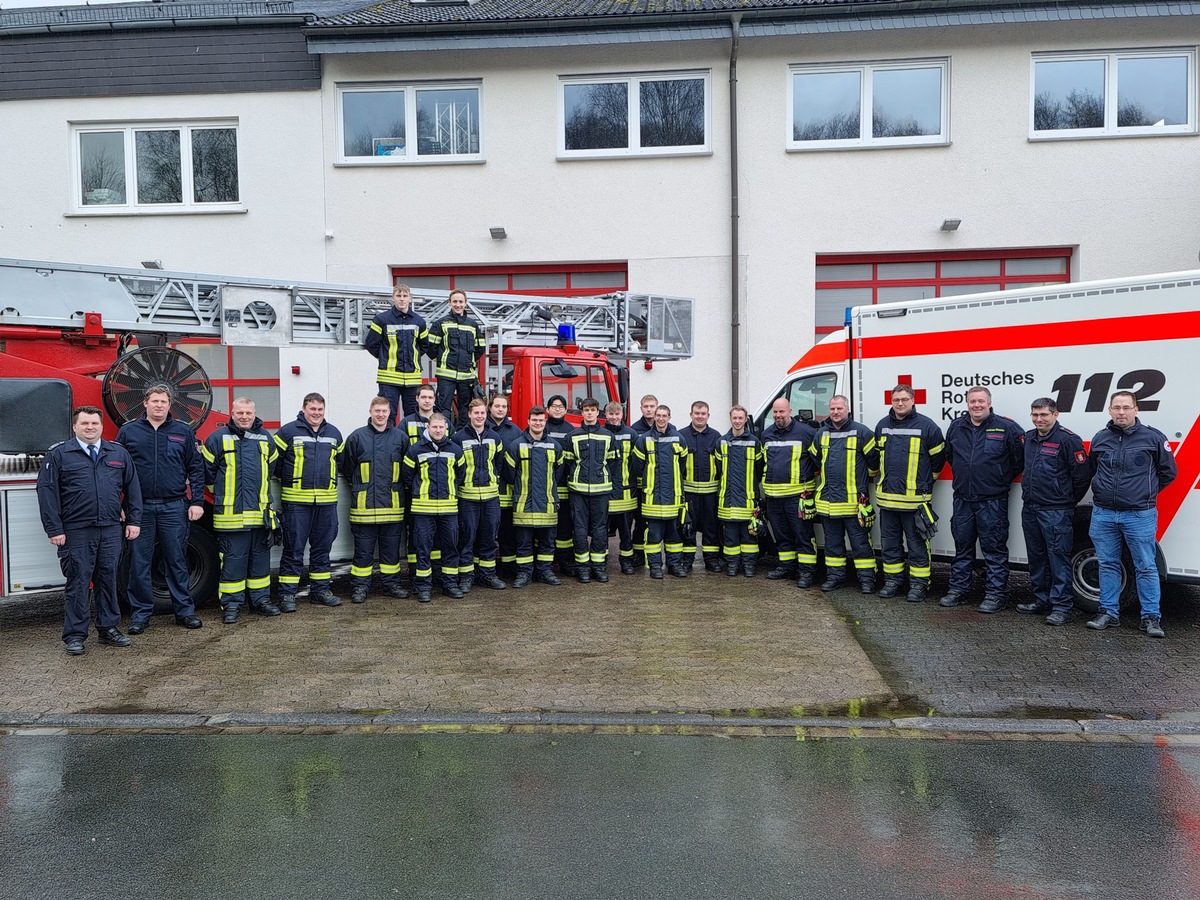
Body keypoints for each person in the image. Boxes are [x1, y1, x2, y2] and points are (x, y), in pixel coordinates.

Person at [37, 405, 142, 655]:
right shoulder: (59, 455)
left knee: (108, 579)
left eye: (95, 423)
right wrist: (54, 529)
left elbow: (133, 488)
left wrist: (134, 520)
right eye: (85, 423)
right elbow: (47, 493)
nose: (90, 427)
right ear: (75, 426)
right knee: (78, 582)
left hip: (110, 529)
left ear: (102, 426)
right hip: (76, 531)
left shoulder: (117, 453)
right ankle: (75, 635)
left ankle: (108, 629)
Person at [1086, 391, 1177, 637]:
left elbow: (1169, 472)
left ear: (1136, 410)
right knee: (1107, 564)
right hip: (1104, 513)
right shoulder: (1100, 438)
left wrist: (1145, 493)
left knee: (1146, 566)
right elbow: (1092, 469)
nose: (1121, 412)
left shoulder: (1153, 437)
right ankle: (1108, 613)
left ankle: (1150, 618)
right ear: (1109, 410)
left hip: (1139, 515)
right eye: (1117, 408)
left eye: (1126, 407)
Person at [116, 384, 206, 633]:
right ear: (145, 403)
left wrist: (197, 502)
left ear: (170, 405)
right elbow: (115, 470)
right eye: (154, 401)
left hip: (174, 506)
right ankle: (141, 615)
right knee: (139, 563)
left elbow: (196, 469)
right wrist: (119, 505)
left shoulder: (183, 432)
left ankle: (185, 612)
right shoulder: (128, 432)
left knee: (176, 560)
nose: (159, 405)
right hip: (139, 509)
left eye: (163, 402)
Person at [938, 386, 1025, 613]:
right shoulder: (956, 427)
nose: (977, 405)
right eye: (972, 401)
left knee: (994, 549)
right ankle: (958, 590)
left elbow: (1019, 460)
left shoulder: (1007, 427)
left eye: (981, 401)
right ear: (967, 403)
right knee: (962, 547)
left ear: (989, 402)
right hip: (963, 499)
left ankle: (996, 595)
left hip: (992, 500)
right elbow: (950, 455)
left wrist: (998, 478)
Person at [200, 397, 279, 624]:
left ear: (254, 414)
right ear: (232, 414)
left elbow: (270, 469)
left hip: (260, 516)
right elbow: (208, 474)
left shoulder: (266, 438)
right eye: (240, 413)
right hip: (230, 516)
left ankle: (260, 601)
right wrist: (224, 494)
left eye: (248, 413)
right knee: (233, 562)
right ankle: (232, 605)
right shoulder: (217, 439)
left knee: (260, 561)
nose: (244, 417)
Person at [1017, 398, 1091, 626]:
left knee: (1058, 559)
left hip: (1056, 511)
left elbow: (1082, 477)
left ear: (1055, 414)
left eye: (1044, 415)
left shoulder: (1068, 440)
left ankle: (1061, 607)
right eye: (1035, 415)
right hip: (1030, 508)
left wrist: (1065, 501)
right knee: (1037, 558)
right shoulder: (1028, 438)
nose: (1039, 419)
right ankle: (1042, 600)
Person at [874, 384, 946, 602]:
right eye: (896, 400)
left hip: (915, 502)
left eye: (904, 399)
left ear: (913, 400)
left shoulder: (927, 426)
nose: (900, 403)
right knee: (890, 545)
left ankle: (918, 585)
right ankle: (892, 581)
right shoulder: (882, 426)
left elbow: (938, 460)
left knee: (917, 546)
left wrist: (925, 481)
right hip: (886, 501)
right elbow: (878, 458)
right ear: (891, 401)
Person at [273, 392, 344, 610]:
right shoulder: (287, 432)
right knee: (293, 549)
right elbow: (275, 463)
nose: (316, 413)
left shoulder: (334, 433)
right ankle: (287, 596)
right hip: (296, 503)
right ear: (304, 409)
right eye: (312, 409)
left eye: (320, 410)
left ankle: (320, 591)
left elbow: (340, 462)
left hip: (326, 503)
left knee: (322, 549)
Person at [341, 396, 410, 604]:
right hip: (364, 508)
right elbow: (346, 468)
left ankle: (391, 585)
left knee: (391, 552)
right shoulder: (356, 437)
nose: (381, 414)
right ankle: (360, 588)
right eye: (377, 411)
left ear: (390, 413)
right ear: (371, 411)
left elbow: (406, 469)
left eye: (384, 411)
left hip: (392, 507)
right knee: (363, 553)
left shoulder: (400, 438)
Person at [810, 395, 879, 594]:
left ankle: (867, 580)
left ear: (847, 410)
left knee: (860, 545)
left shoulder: (862, 432)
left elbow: (873, 463)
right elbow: (815, 459)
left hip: (854, 504)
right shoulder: (821, 434)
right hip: (828, 503)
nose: (836, 412)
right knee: (833, 546)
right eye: (832, 408)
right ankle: (835, 577)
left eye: (839, 408)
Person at [403, 412, 465, 602]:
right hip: (423, 510)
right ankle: (423, 587)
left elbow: (460, 476)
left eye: (441, 427)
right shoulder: (414, 450)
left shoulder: (456, 450)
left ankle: (450, 584)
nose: (438, 430)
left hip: (449, 509)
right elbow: (406, 477)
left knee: (451, 547)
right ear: (428, 428)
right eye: (434, 427)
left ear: (446, 428)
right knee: (423, 549)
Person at [760, 397, 818, 587]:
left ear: (790, 411)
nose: (778, 415)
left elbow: (818, 461)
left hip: (798, 497)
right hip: (774, 497)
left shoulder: (807, 433)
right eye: (775, 412)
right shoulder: (767, 434)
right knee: (782, 535)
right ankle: (786, 566)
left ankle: (807, 572)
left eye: (781, 412)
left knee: (803, 535)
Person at [506, 406, 565, 588]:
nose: (538, 423)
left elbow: (558, 474)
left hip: (547, 502)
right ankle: (524, 574)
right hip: (524, 503)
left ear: (545, 421)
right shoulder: (515, 445)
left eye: (541, 420)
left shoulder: (555, 446)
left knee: (548, 542)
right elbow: (509, 475)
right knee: (523, 543)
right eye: (534, 420)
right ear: (528, 421)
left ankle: (545, 571)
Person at [454, 398, 507, 591]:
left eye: (482, 413)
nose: (479, 416)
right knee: (467, 538)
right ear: (469, 414)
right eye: (476, 413)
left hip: (491, 497)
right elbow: (456, 468)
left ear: (487, 414)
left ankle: (488, 576)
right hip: (467, 497)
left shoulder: (495, 437)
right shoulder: (458, 438)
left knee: (489, 538)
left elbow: (498, 464)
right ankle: (467, 577)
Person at [632, 404, 689, 579]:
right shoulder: (644, 440)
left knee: (674, 535)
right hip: (652, 497)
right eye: (659, 415)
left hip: (673, 496)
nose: (661, 418)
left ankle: (674, 565)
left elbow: (682, 466)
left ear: (669, 418)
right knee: (654, 536)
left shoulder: (679, 439)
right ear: (654, 417)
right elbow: (637, 467)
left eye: (665, 415)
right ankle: (655, 566)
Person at [564, 397, 616, 583]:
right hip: (578, 491)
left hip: (601, 490)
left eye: (592, 410)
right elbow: (569, 462)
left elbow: (612, 462)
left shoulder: (608, 435)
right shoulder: (572, 436)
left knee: (600, 530)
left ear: (597, 412)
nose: (589, 413)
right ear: (582, 412)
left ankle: (599, 567)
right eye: (586, 410)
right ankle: (583, 569)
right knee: (579, 530)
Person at [363, 283, 429, 423]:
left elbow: (424, 346)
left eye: (405, 296)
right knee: (388, 414)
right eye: (398, 296)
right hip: (389, 377)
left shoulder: (419, 322)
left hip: (412, 377)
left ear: (410, 298)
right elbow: (371, 344)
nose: (402, 299)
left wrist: (413, 359)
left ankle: (411, 444)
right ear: (393, 298)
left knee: (413, 416)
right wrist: (384, 358)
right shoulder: (382, 319)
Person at [426, 288, 485, 428]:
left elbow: (480, 348)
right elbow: (430, 348)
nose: (458, 305)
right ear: (449, 303)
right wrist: (442, 361)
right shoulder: (440, 324)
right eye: (455, 301)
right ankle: (445, 434)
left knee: (465, 408)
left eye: (461, 301)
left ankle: (462, 435)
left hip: (466, 375)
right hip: (446, 375)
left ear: (466, 303)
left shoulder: (472, 325)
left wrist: (468, 362)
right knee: (443, 407)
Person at [716, 405, 763, 578]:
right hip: (727, 499)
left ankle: (749, 565)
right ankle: (732, 565)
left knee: (749, 536)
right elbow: (718, 469)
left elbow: (759, 468)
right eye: (734, 418)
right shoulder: (721, 442)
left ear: (745, 420)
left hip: (747, 498)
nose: (737, 421)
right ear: (730, 419)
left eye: (740, 418)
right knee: (730, 538)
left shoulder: (754, 442)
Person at [680, 400, 723, 573]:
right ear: (691, 414)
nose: (700, 416)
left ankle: (711, 560)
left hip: (710, 494)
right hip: (688, 493)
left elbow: (721, 466)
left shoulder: (716, 436)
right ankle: (687, 561)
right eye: (697, 413)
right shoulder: (681, 436)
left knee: (711, 528)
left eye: (703, 413)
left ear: (708, 416)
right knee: (687, 528)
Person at [487, 393, 522, 577]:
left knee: (508, 534)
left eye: (503, 407)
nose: (500, 409)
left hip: (508, 493)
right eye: (497, 406)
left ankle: (508, 570)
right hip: (486, 493)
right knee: (486, 535)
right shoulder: (481, 428)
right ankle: (485, 571)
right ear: (490, 408)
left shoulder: (515, 431)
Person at [604, 401, 639, 575]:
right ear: (606, 415)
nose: (614, 417)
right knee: (601, 532)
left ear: (622, 415)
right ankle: (601, 563)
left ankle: (626, 562)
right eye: (611, 414)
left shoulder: (631, 434)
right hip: (605, 492)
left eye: (617, 414)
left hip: (626, 492)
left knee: (626, 533)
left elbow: (638, 462)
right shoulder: (600, 434)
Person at [544, 394, 577, 575]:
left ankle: (565, 562)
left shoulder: (571, 430)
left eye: (561, 406)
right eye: (554, 406)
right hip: (545, 488)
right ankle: (546, 563)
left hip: (564, 488)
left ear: (565, 409)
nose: (557, 409)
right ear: (547, 409)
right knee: (546, 528)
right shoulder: (542, 427)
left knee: (565, 527)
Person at [628, 393, 658, 568]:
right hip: (640, 484)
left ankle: (654, 554)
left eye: (652, 406)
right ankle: (638, 554)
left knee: (655, 522)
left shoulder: (667, 428)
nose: (649, 409)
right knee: (639, 521)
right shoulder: (634, 430)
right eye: (646, 406)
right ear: (641, 408)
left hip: (658, 485)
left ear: (656, 407)